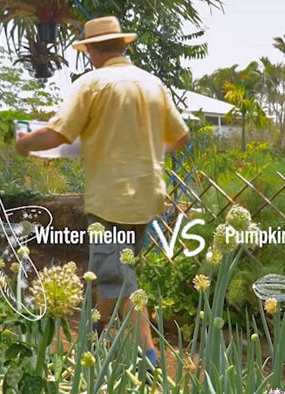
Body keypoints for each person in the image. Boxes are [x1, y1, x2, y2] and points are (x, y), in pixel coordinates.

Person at [15, 15, 190, 369]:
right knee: (113, 268)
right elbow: (181, 137)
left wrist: (24, 143)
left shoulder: (92, 83)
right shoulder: (152, 83)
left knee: (116, 275)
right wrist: (143, 150)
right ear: (123, 45)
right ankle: (97, 330)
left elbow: (58, 135)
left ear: (92, 50)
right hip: (146, 194)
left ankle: (148, 354)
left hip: (112, 197)